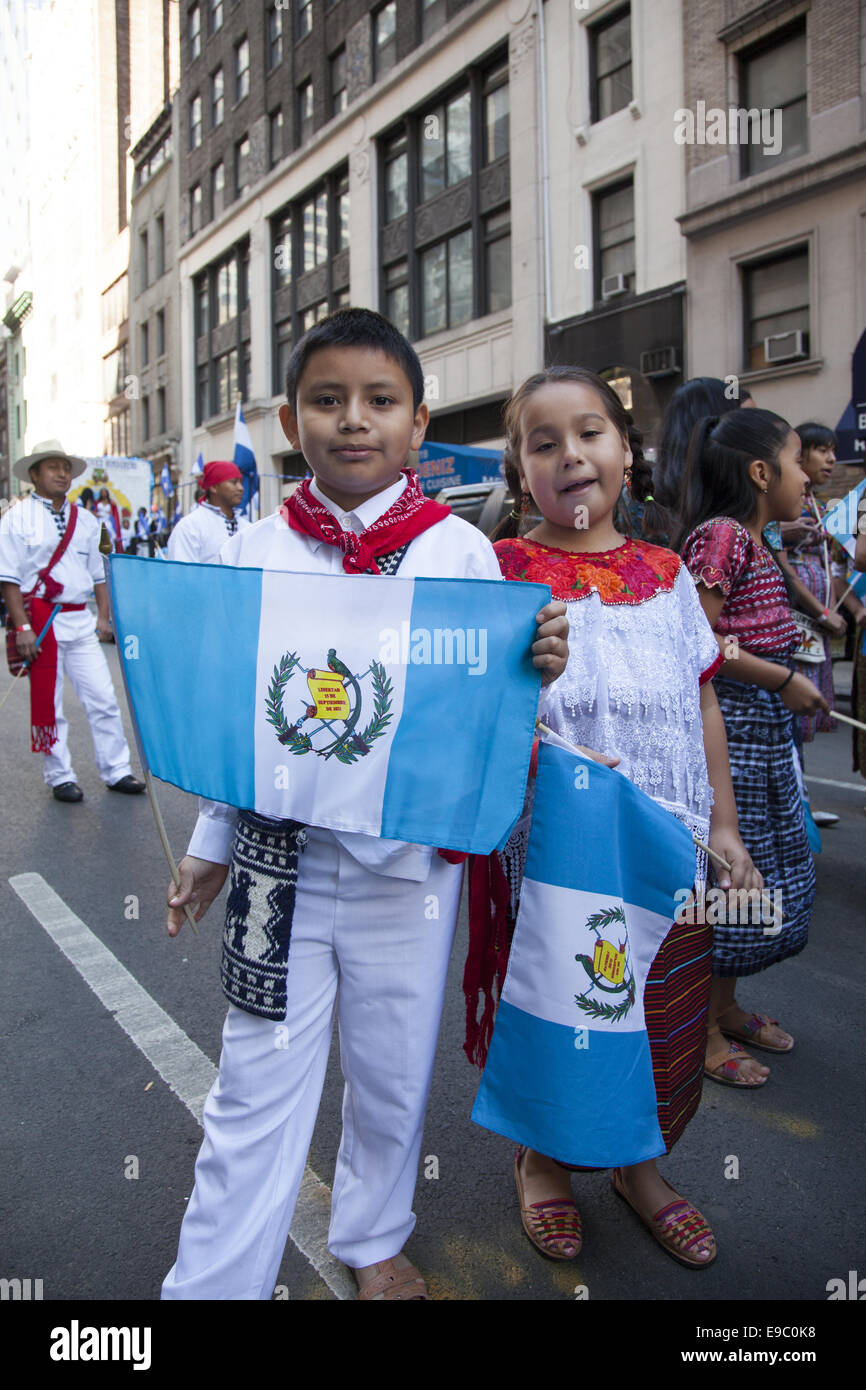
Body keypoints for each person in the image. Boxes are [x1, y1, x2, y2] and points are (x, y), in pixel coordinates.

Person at [159, 308, 569, 1301]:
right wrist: (209, 846)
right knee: (253, 1085)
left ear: (418, 422)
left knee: (390, 1076)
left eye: (378, 401)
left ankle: (372, 1231)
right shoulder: (251, 551)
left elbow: (488, 712)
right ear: (291, 422)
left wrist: (537, 667)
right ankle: (211, 1286)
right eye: (327, 400)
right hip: (274, 865)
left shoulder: (464, 555)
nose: (353, 420)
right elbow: (231, 729)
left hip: (410, 874)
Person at [467, 366, 759, 1270]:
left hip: (670, 846)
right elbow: (473, 713)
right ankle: (544, 1160)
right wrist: (524, 678)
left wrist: (726, 828)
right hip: (560, 853)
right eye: (543, 442)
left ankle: (640, 1165)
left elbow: (701, 703)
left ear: (627, 452)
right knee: (572, 1010)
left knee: (664, 1022)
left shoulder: (670, 574)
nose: (570, 456)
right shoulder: (503, 572)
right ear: (521, 470)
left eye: (590, 433)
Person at [678, 410, 825, 1086]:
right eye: (799, 461)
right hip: (729, 728)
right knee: (726, 880)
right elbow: (698, 644)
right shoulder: (722, 538)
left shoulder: (758, 538)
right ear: (761, 473)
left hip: (762, 731)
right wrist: (784, 678)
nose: (808, 476)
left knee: (756, 873)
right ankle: (700, 1030)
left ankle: (727, 1006)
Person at [0, 440, 145, 802]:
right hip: (41, 620)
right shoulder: (16, 518)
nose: (62, 474)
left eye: (65, 468)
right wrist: (22, 628)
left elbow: (99, 573)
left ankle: (117, 769)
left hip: (80, 621)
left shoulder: (88, 520)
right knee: (50, 701)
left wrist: (105, 619)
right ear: (34, 474)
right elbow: (9, 579)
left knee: (103, 698)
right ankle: (59, 774)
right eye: (53, 467)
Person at [166, 461, 249, 563]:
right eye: (234, 482)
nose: (241, 488)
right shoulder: (190, 527)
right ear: (214, 487)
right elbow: (181, 572)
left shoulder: (248, 527)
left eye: (241, 482)